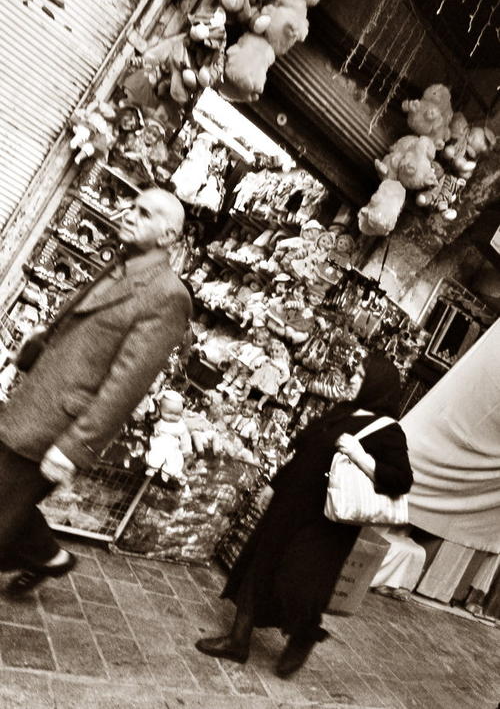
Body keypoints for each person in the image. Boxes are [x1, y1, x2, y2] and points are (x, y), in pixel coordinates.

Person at [0, 188, 192, 596]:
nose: (128, 214)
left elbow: (126, 385)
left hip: (55, 426)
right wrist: (37, 346)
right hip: (33, 403)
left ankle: (43, 554)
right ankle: (48, 555)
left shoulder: (168, 295)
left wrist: (73, 447)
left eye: (144, 213)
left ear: (168, 236)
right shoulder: (123, 263)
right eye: (131, 206)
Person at [195, 353, 413, 678]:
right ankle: (237, 641)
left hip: (326, 524)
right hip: (290, 503)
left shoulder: (388, 431)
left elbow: (401, 480)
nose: (351, 378)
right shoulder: (343, 411)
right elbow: (305, 453)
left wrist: (360, 455)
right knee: (259, 565)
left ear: (376, 383)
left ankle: (304, 635)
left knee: (299, 583)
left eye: (359, 374)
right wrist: (273, 485)